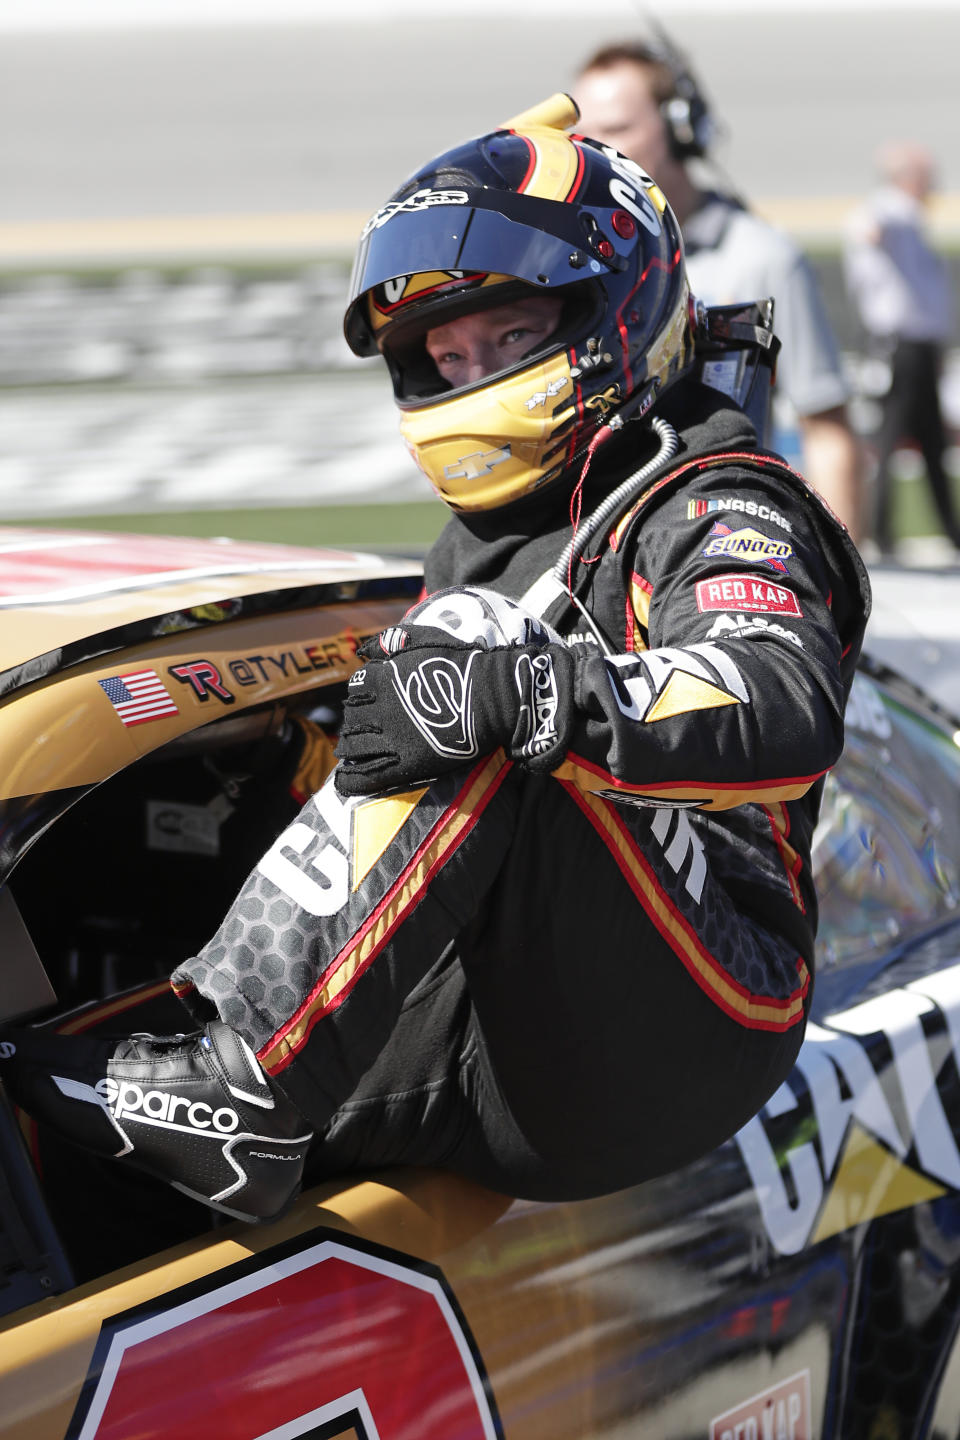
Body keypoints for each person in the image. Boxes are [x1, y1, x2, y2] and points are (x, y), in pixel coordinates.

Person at [0, 97, 870, 1225]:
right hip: (495, 1027)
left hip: (703, 1010)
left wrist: (540, 687)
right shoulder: (487, 542)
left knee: (469, 658)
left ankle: (246, 1076)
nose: (475, 377)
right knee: (52, 1083)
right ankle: (212, 1083)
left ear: (619, 313)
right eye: (445, 358)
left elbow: (781, 695)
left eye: (512, 338)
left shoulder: (711, 497)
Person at [574, 39, 866, 542]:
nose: (599, 150)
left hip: (726, 552)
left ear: (682, 131)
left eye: (619, 129)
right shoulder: (567, 266)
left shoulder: (763, 258)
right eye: (585, 133)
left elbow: (828, 431)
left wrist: (844, 584)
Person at [844, 141, 960, 556]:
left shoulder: (913, 220)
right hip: (899, 349)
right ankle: (879, 530)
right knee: (891, 439)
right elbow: (871, 225)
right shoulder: (891, 209)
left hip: (921, 349)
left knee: (931, 444)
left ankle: (949, 529)